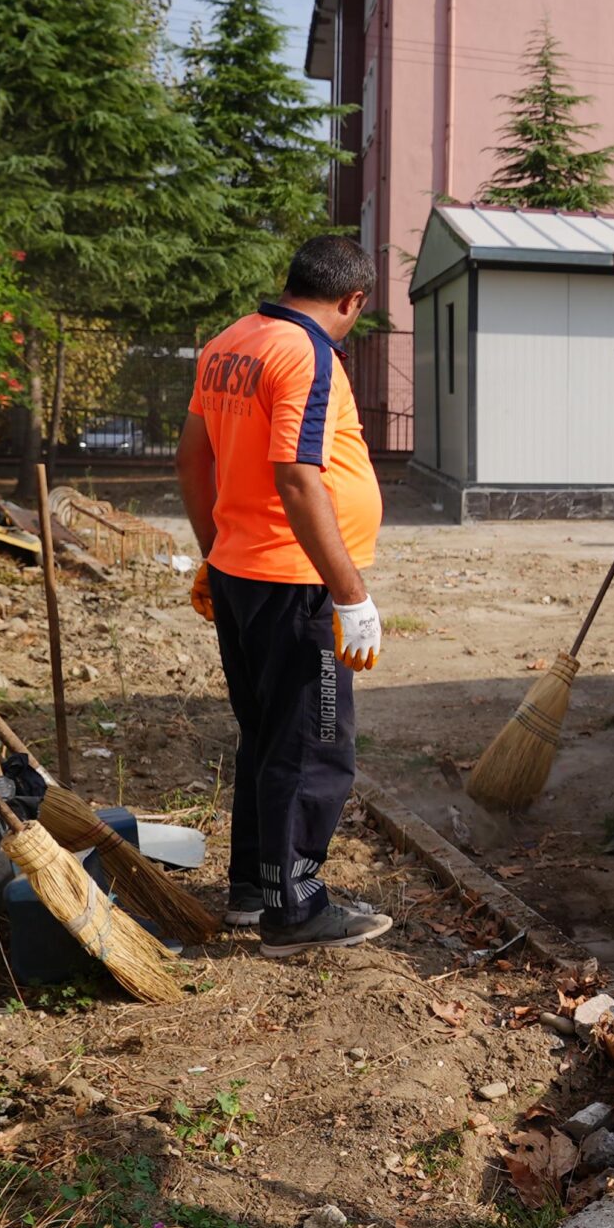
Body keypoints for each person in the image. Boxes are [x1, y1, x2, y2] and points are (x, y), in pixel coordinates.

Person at [177, 236, 392, 957]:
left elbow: (193, 457)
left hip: (243, 573)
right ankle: (295, 911)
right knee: (313, 744)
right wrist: (350, 593)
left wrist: (214, 552)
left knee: (269, 734)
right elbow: (297, 478)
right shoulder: (308, 354)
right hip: (296, 583)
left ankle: (255, 886)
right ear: (351, 300)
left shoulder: (228, 344)